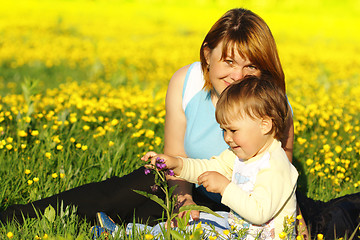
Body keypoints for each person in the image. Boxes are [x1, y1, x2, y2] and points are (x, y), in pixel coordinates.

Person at [1, 7, 358, 239]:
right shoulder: (185, 82)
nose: (238, 76)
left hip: (249, 201)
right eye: (229, 62)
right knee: (134, 185)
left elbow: (273, 175)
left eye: (251, 66)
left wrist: (226, 197)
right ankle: (20, 216)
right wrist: (184, 203)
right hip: (188, 185)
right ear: (208, 55)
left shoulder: (273, 106)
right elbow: (176, 158)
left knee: (323, 222)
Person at [136, 76, 298, 239]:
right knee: (194, 222)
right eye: (224, 130)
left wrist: (224, 187)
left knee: (198, 230)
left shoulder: (275, 165)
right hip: (237, 231)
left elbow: (259, 213)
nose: (227, 138)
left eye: (233, 131)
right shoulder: (240, 155)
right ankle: (137, 232)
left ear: (264, 125)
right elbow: (208, 168)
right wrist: (177, 164)